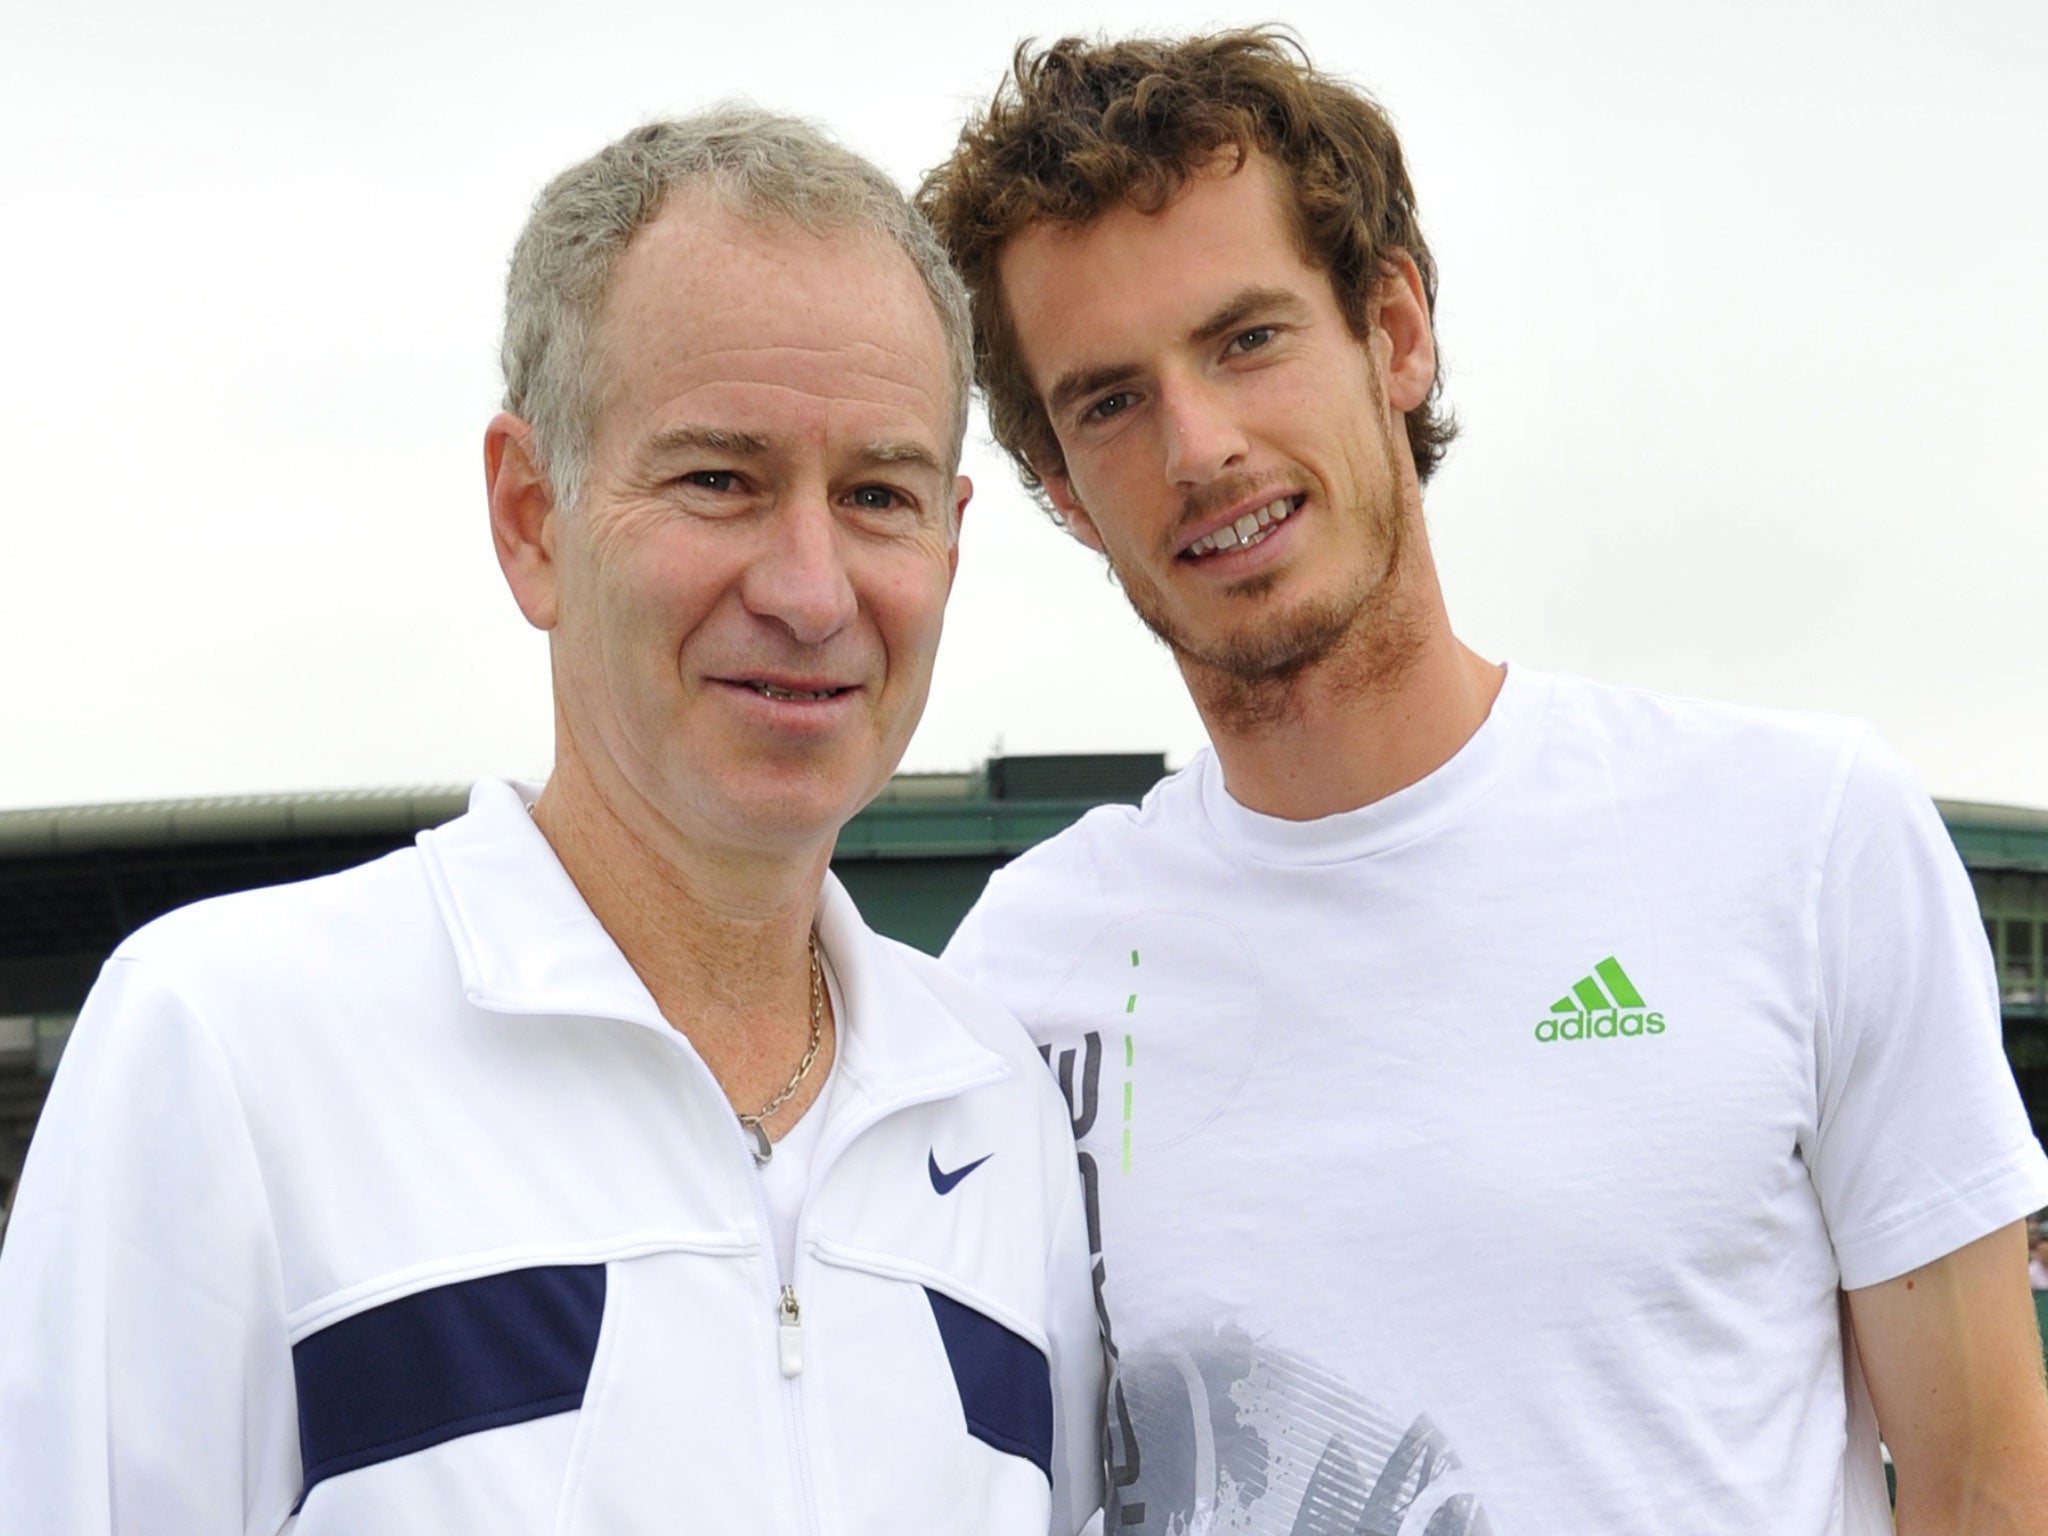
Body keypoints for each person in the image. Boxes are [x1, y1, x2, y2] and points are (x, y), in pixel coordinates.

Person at [921, 29, 2048, 1536]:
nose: (1199, 445)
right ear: (1058, 488)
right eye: (1109, 400)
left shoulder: (1806, 836)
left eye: (1247, 338)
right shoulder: (1018, 967)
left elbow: (1983, 1483)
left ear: (1394, 330)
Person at [0, 110, 1100, 1535]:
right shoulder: (224, 1044)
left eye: (877, 495)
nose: (813, 590)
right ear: (532, 519)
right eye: (721, 479)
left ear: (949, 540)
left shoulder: (997, 1103)